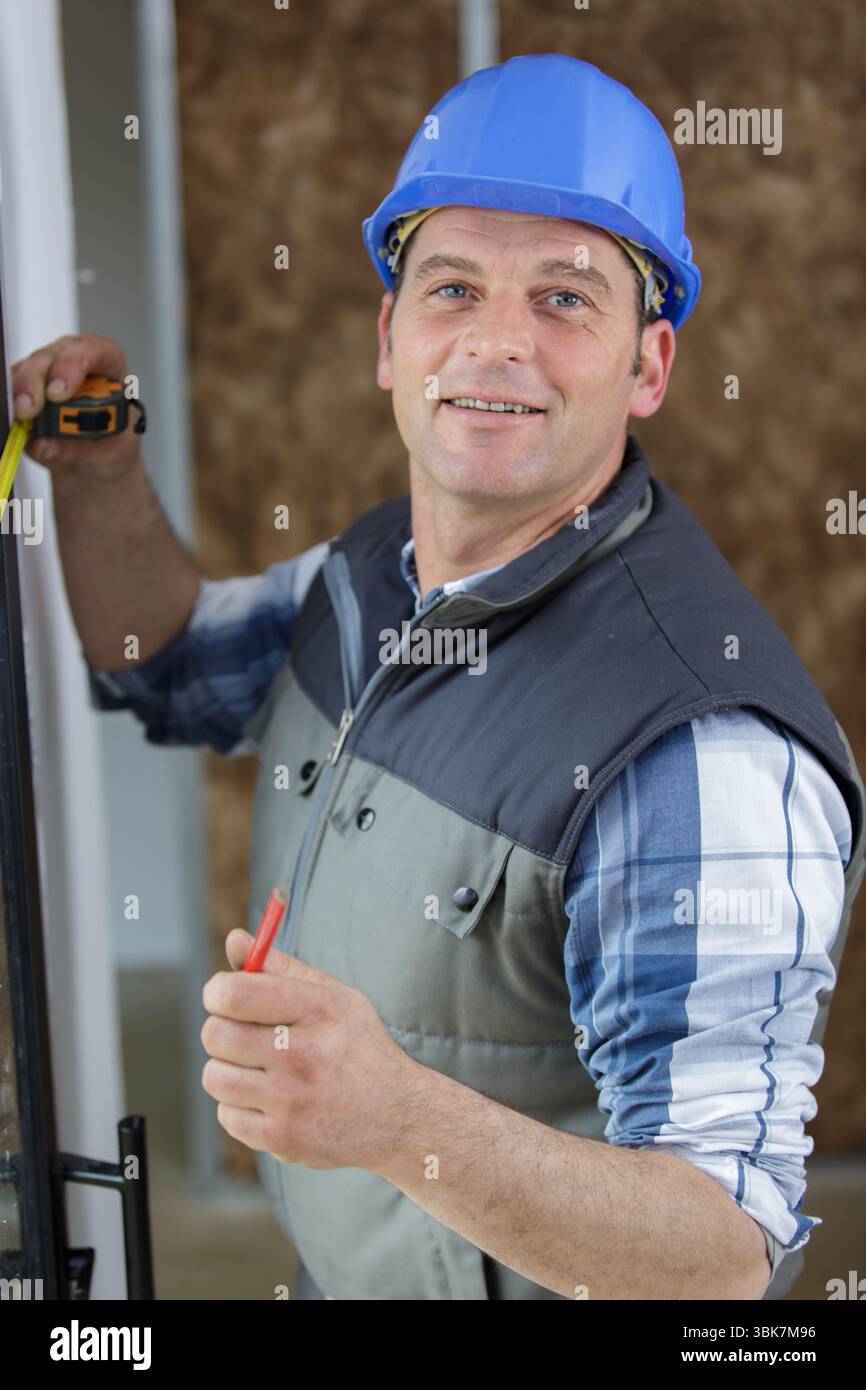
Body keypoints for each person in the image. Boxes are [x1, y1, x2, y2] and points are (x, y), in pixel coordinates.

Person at [13, 54, 865, 1302]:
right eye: (451, 286)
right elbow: (175, 662)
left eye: (566, 300)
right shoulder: (369, 576)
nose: (495, 341)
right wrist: (95, 475)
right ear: (388, 338)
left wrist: (391, 1115)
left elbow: (716, 1256)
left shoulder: (697, 749)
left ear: (648, 365)